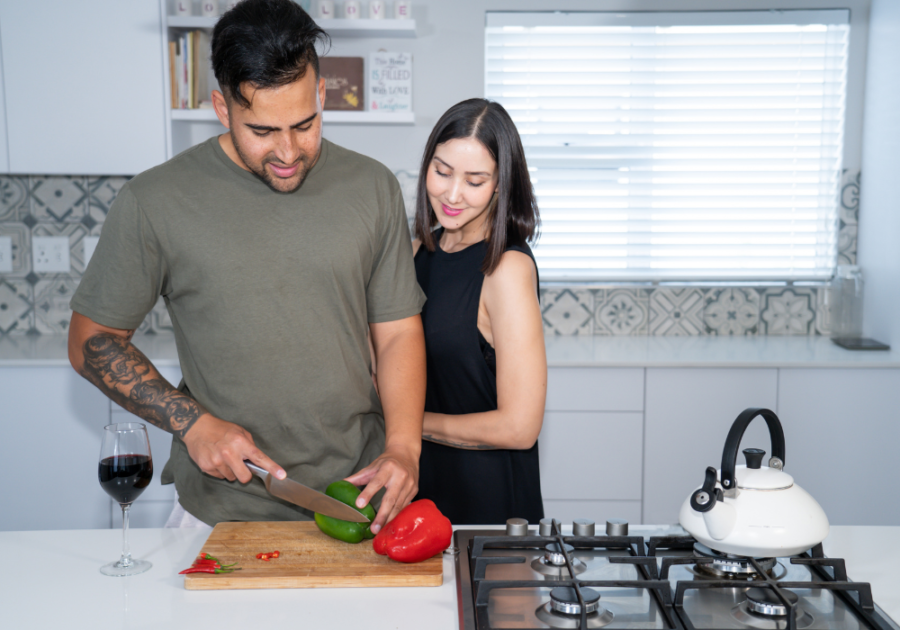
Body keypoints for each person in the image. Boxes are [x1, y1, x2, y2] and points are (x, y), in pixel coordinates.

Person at [67, 0, 425, 534]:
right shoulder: (155, 200)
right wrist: (192, 424)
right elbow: (91, 340)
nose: (288, 151)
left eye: (305, 124)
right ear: (221, 106)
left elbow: (397, 333)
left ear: (322, 95)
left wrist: (403, 448)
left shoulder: (372, 188)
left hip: (357, 499)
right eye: (262, 130)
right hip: (215, 512)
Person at [411, 99, 547, 524]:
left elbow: (519, 427)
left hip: (487, 502)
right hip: (418, 488)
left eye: (475, 180)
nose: (452, 195)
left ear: (500, 185)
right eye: (442, 171)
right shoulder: (418, 251)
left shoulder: (506, 268)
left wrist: (407, 422)